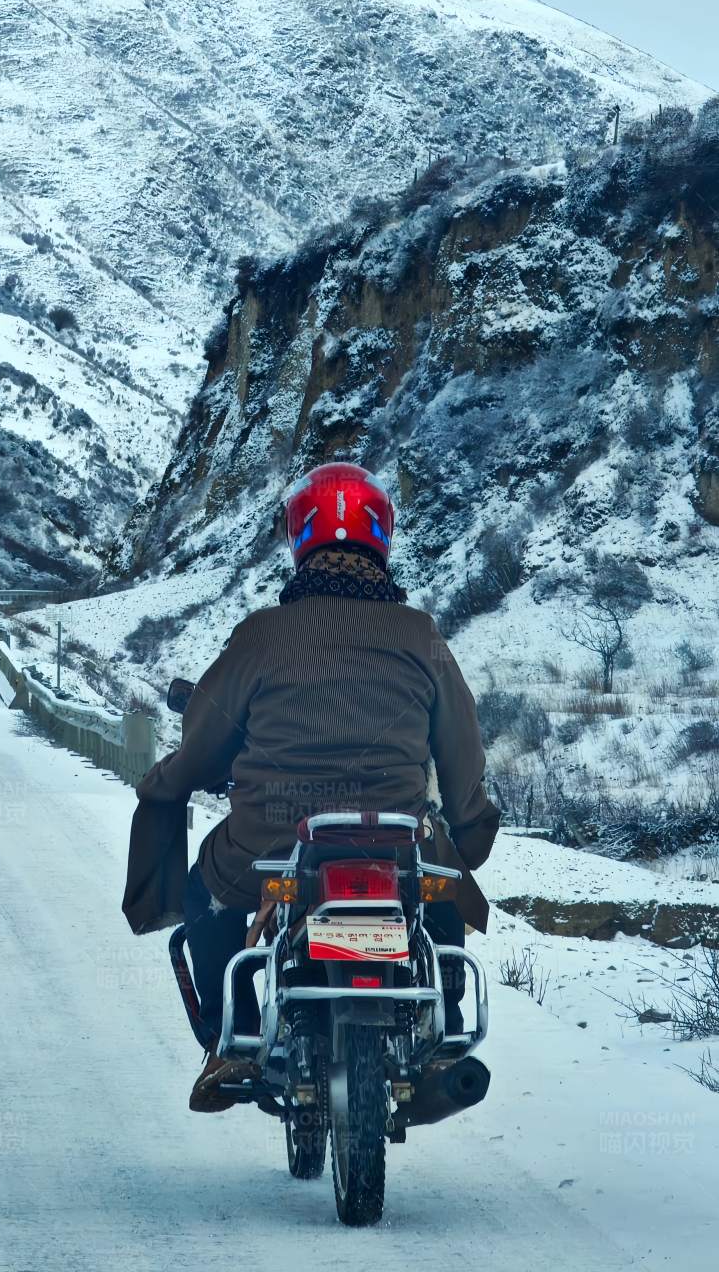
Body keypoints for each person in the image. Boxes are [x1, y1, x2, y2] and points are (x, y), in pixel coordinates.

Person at [127, 462, 500, 1114]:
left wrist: (166, 782)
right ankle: (439, 1033)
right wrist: (466, 829)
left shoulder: (261, 635)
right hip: (398, 838)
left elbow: (202, 745)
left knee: (205, 894)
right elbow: (461, 750)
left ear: (300, 540)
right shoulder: (421, 635)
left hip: (273, 838)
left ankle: (230, 1042)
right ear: (380, 537)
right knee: (439, 887)